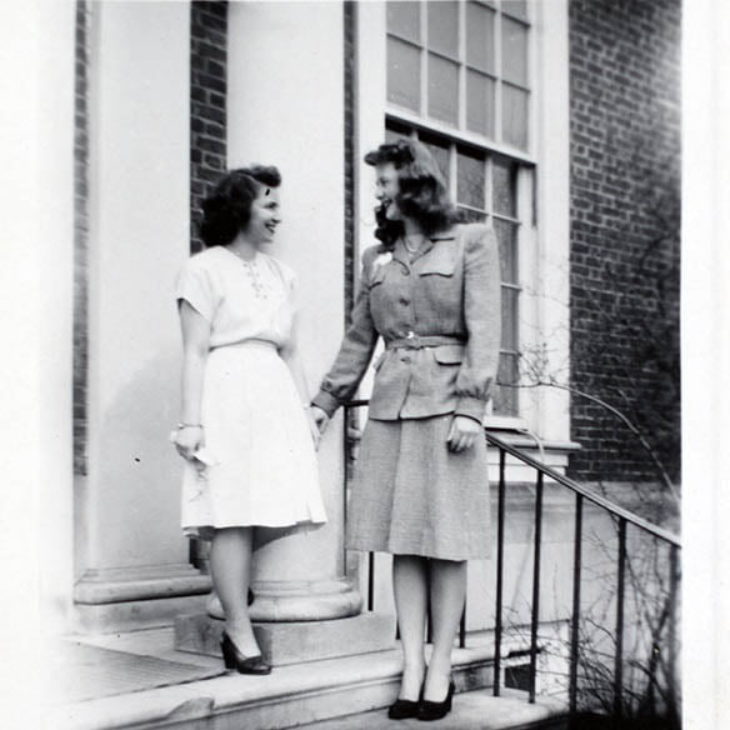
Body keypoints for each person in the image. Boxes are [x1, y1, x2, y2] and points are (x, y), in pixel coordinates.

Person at [311, 139, 501, 720]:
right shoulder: (377, 257)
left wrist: (472, 406)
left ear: (413, 182)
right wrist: (324, 402)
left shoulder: (472, 240)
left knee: (444, 542)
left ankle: (441, 665)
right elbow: (358, 340)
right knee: (404, 541)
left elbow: (485, 328)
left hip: (449, 411)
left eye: (385, 180)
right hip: (392, 409)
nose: (378, 191)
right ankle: (412, 663)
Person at [172, 166, 326, 675]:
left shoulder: (284, 275)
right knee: (234, 511)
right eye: (270, 204)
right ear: (241, 207)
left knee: (281, 503)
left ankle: (227, 574)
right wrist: (191, 422)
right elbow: (194, 351)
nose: (279, 215)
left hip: (274, 391)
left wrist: (306, 411)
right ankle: (239, 632)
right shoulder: (204, 269)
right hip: (226, 389)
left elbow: (293, 350)